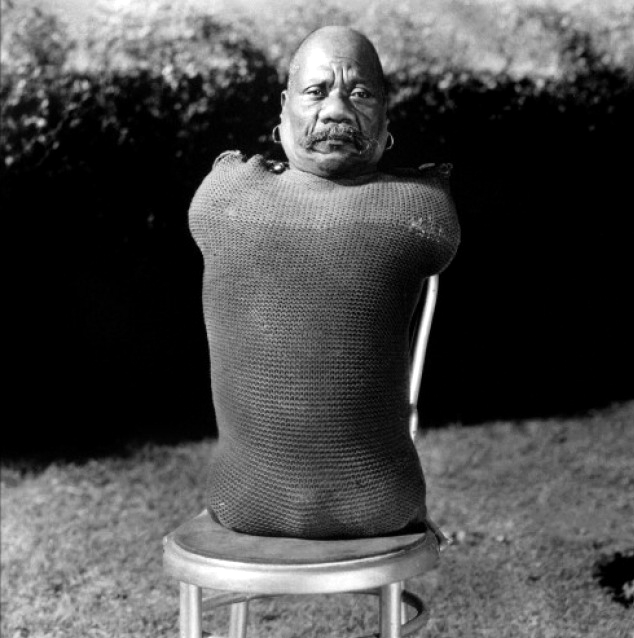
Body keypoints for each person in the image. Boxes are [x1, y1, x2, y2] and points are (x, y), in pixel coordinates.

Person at [188, 26, 461, 538]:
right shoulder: (420, 209)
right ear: (284, 108)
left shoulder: (225, 196)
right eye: (317, 92)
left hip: (246, 506)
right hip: (370, 509)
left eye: (360, 95)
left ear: (385, 117)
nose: (336, 110)